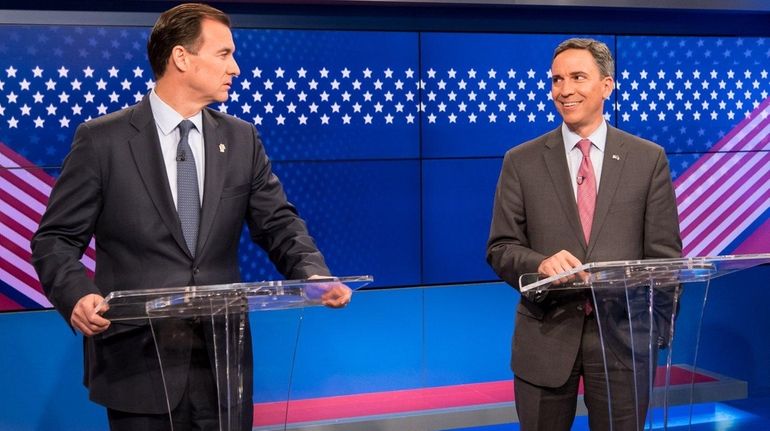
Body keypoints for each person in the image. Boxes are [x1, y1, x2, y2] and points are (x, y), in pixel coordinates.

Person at [30, 3, 350, 430]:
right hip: (138, 364)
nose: (235, 68)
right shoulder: (102, 140)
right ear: (181, 57)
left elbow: (278, 223)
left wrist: (312, 273)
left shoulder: (241, 139)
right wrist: (77, 296)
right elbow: (54, 240)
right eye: (223, 54)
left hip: (223, 367)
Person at [486, 38, 682, 430]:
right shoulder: (521, 161)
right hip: (545, 337)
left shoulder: (647, 159)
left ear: (607, 86)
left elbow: (665, 259)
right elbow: (501, 247)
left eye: (578, 77)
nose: (565, 90)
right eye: (557, 79)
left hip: (624, 344)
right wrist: (539, 263)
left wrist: (655, 332)